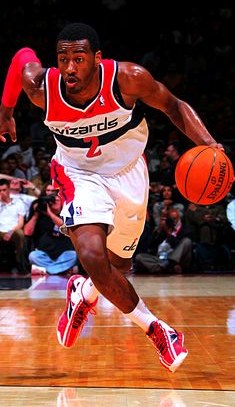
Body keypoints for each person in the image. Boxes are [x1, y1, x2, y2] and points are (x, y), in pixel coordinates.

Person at [0, 22, 223, 373]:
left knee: (116, 268)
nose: (70, 68)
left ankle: (83, 294)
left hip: (129, 173)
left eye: (79, 58)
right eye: (63, 59)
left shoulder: (128, 79)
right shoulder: (42, 88)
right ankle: (157, 330)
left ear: (97, 58)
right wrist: (6, 109)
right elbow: (21, 59)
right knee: (91, 254)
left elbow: (175, 106)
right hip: (78, 174)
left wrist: (209, 145)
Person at [24, 194, 78, 276]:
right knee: (33, 256)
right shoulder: (40, 215)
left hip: (64, 254)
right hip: (44, 254)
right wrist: (36, 213)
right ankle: (60, 270)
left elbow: (64, 226)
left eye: (56, 201)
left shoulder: (66, 214)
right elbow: (27, 232)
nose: (53, 203)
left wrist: (49, 213)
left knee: (74, 255)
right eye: (51, 202)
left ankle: (46, 271)